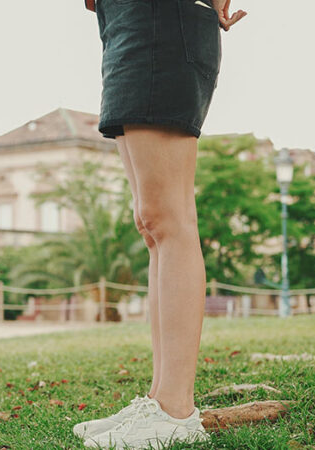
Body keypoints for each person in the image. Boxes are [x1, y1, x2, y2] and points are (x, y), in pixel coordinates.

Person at [72, 0, 246, 448]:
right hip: (124, 24)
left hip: (162, 22)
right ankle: (158, 399)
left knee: (170, 220)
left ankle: (176, 411)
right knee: (151, 223)